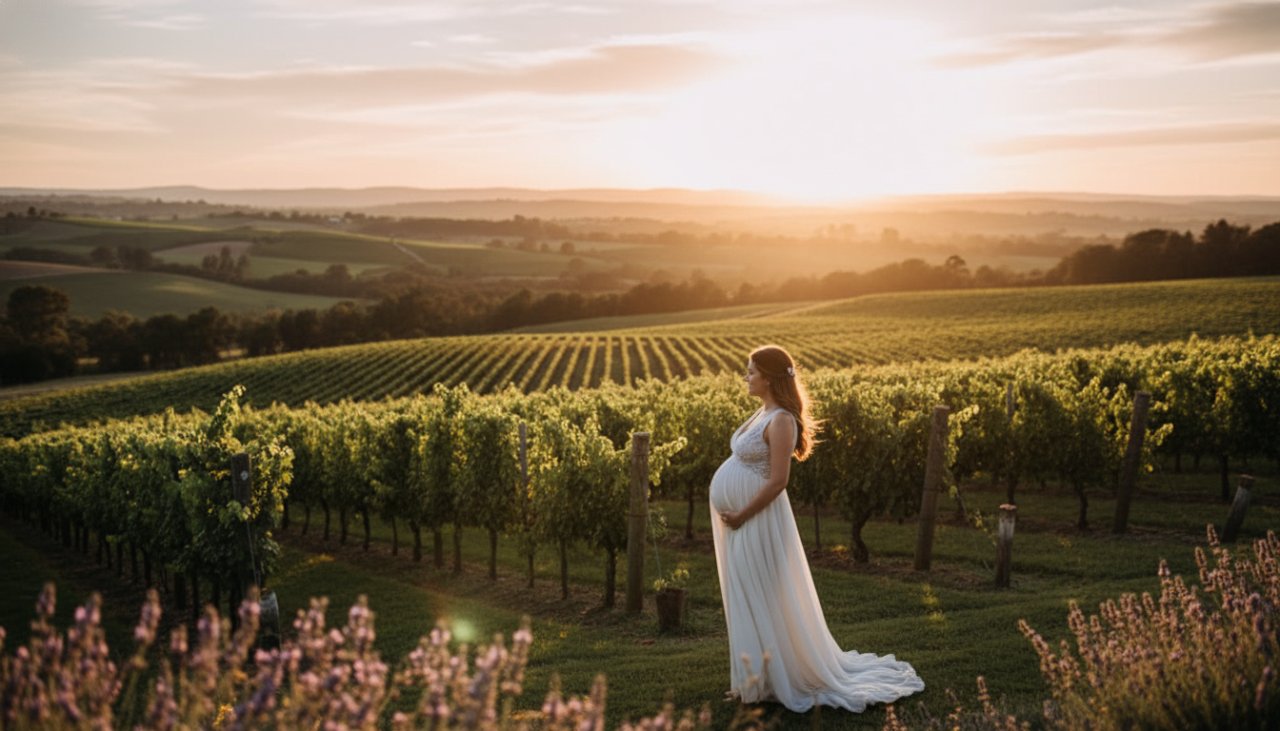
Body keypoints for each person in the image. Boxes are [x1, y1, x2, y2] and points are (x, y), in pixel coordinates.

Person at [709, 344, 925, 713]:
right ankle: (754, 681)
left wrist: (743, 513)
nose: (746, 377)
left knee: (761, 595)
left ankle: (772, 680)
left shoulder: (781, 421)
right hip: (742, 522)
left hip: (758, 521)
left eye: (751, 371)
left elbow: (778, 481)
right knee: (746, 594)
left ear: (769, 378)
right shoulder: (763, 413)